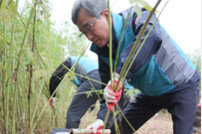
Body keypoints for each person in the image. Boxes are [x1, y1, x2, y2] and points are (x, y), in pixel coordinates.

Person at [71, 0, 200, 134]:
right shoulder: (102, 50)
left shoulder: (137, 17)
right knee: (117, 130)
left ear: (105, 14)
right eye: (84, 33)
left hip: (181, 85)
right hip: (150, 94)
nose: (89, 37)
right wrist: (101, 120)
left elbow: (151, 38)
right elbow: (108, 91)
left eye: (89, 27)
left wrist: (119, 76)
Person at [49, 56, 130, 130]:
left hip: (94, 76)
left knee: (73, 113)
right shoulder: (86, 64)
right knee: (106, 116)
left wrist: (53, 96)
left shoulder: (70, 60)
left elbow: (55, 76)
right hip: (107, 80)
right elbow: (88, 95)